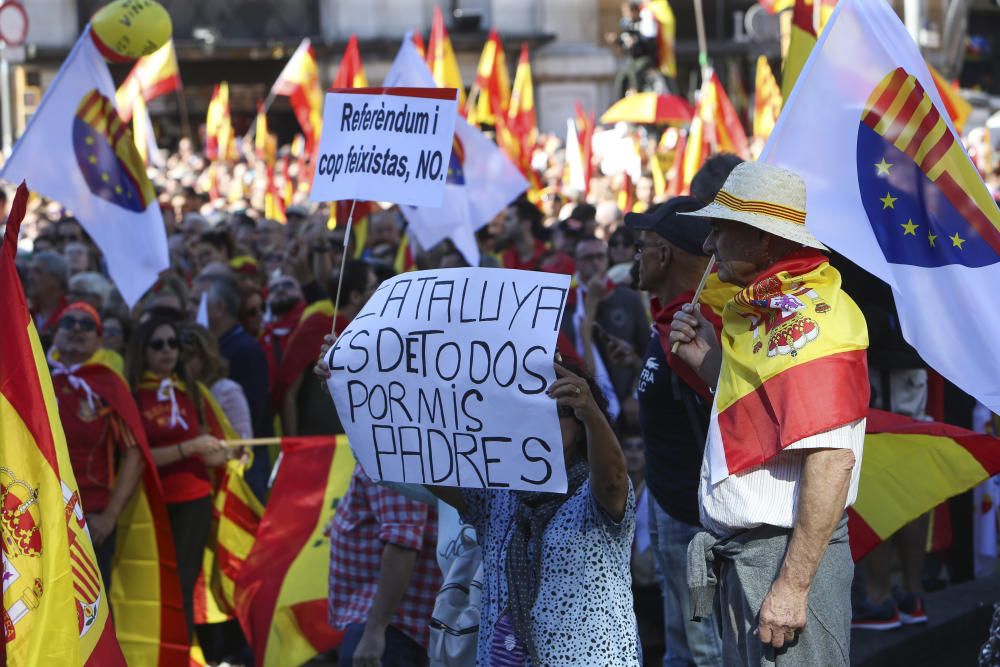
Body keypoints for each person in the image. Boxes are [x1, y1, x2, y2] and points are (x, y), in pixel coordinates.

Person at [670, 162, 870, 665]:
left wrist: (792, 586)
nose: (708, 244)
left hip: (782, 559)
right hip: (754, 558)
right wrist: (711, 363)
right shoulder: (773, 308)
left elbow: (831, 460)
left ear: (763, 241)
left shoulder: (813, 319)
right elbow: (770, 418)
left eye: (721, 228)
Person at [429, 362, 639, 666]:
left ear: (581, 426)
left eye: (560, 410)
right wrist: (352, 390)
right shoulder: (496, 494)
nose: (544, 420)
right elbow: (423, 465)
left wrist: (589, 411)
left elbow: (614, 478)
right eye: (531, 409)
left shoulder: (594, 494)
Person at [613, 196, 728, 667]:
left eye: (641, 247)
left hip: (696, 526)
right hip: (672, 516)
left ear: (666, 253)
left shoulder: (699, 326)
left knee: (706, 650)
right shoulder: (669, 321)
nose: (633, 258)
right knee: (683, 646)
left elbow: (730, 409)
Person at [126, 314, 231, 638]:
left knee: (184, 584)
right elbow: (136, 458)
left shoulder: (192, 392)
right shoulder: (131, 396)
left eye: (173, 343)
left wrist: (221, 454)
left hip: (194, 499)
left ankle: (181, 653)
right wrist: (190, 448)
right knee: (152, 584)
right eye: (158, 344)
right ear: (142, 350)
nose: (167, 351)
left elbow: (209, 441)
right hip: (149, 503)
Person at [48, 302, 146, 587]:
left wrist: (109, 516)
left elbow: (134, 452)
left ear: (99, 340)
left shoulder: (109, 385)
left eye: (87, 325)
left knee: (90, 615)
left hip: (89, 519)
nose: (77, 328)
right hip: (37, 517)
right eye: (68, 323)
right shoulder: (33, 375)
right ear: (54, 333)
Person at [326, 464, 441, 666]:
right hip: (390, 624)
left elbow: (402, 542)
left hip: (391, 627)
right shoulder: (388, 454)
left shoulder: (391, 460)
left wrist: (375, 632)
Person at [192, 272, 272, 498]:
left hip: (246, 458)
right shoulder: (225, 344)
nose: (193, 309)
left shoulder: (245, 349)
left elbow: (255, 410)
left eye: (199, 303)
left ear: (219, 307)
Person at [561, 235, 649, 423]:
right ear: (576, 262)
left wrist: (635, 395)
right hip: (581, 404)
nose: (595, 263)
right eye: (587, 258)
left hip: (625, 403)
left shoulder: (628, 298)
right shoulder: (566, 301)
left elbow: (645, 350)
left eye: (600, 256)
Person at [181, 323, 253, 440]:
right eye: (181, 359)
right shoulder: (175, 391)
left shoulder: (227, 390)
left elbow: (244, 443)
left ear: (206, 357)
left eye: (189, 357)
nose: (184, 365)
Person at [260, 273, 306, 392]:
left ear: (302, 292)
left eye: (287, 285)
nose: (280, 289)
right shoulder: (260, 335)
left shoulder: (312, 324)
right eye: (273, 288)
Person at [27, 250, 70, 349]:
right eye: (30, 271)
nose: (30, 277)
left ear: (57, 280)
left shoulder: (73, 317)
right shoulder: (22, 312)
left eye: (37, 271)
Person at [497, 198, 551, 271]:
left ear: (526, 223)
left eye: (508, 219)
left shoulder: (550, 256)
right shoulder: (503, 257)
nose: (503, 224)